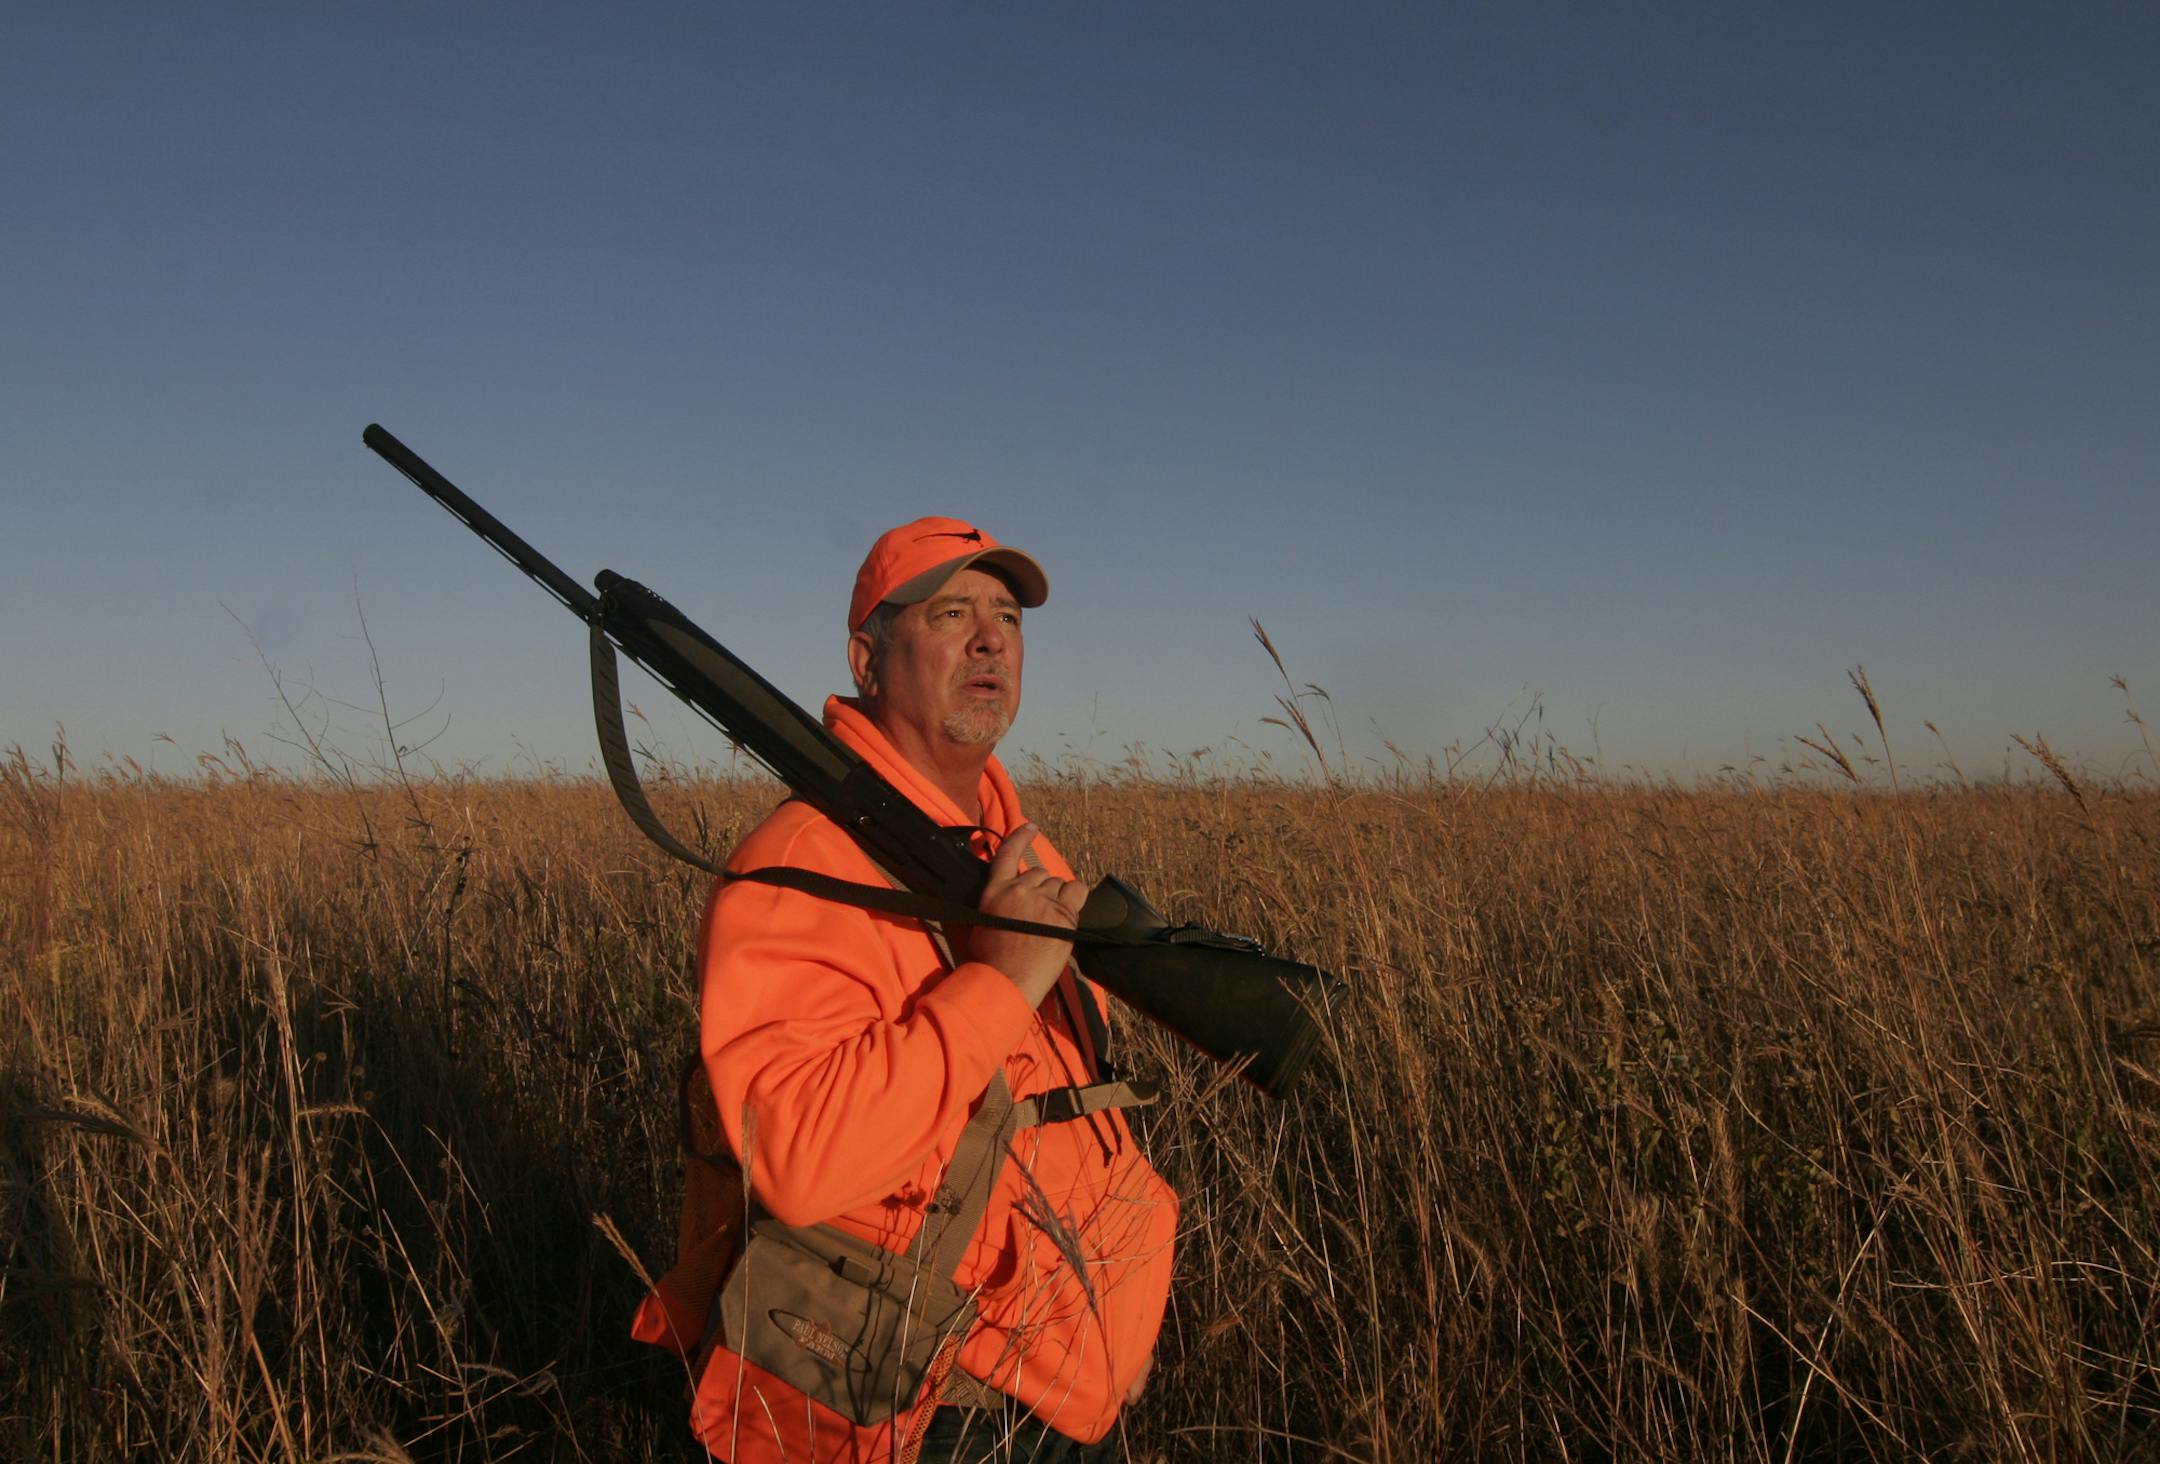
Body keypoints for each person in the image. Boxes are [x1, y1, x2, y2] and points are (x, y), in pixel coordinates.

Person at [686, 516, 1179, 1463]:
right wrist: (999, 980)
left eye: (1007, 617)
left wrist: (1117, 1322)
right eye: (951, 613)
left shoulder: (1015, 853)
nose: (991, 639)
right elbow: (803, 1159)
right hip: (930, 1408)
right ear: (867, 661)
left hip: (1068, 1386)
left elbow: (1058, 1114)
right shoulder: (799, 866)